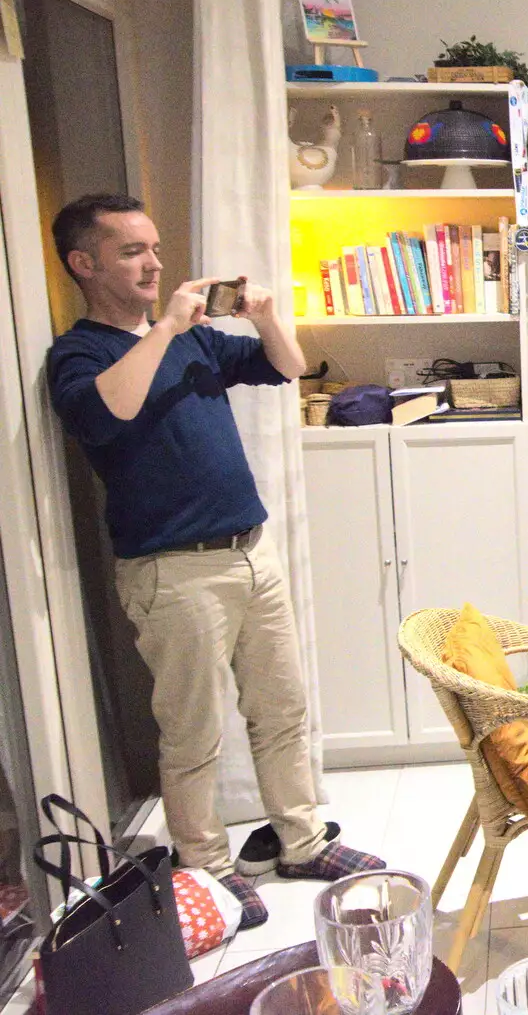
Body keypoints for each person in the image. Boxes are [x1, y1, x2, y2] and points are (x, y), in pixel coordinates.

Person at [46, 194, 385, 931]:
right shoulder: (78, 353)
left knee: (281, 709)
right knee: (194, 730)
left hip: (249, 553)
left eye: (156, 247)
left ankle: (300, 841)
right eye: (133, 250)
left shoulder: (198, 343)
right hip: (171, 571)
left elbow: (288, 366)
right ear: (85, 263)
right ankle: (207, 868)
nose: (155, 262)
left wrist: (263, 316)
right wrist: (165, 325)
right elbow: (111, 410)